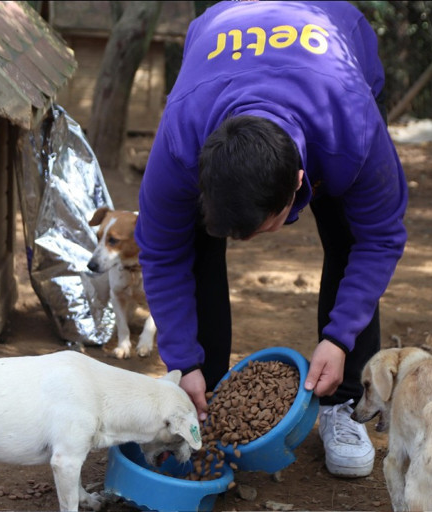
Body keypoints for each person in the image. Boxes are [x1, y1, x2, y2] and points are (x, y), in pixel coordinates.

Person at [135, 0, 407, 478]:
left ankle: (344, 404)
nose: (253, 243)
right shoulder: (181, 142)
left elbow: (380, 237)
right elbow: (161, 252)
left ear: (301, 183)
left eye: (265, 226)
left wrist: (339, 338)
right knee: (194, 246)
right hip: (218, 58)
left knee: (348, 236)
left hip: (333, 69)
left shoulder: (353, 131)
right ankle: (203, 398)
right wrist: (183, 362)